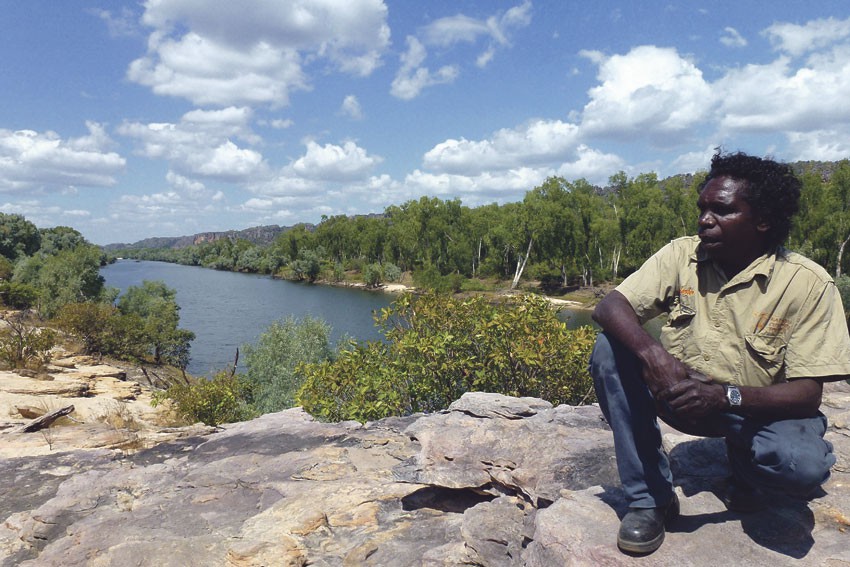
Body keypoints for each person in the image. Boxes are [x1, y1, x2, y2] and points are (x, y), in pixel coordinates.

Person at [589, 151, 850, 555]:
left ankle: (747, 469)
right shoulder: (682, 255)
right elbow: (610, 306)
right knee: (610, 349)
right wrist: (656, 358)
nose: (704, 219)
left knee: (800, 467)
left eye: (721, 210)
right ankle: (649, 499)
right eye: (703, 208)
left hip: (756, 409)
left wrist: (723, 395)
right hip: (680, 396)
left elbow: (807, 394)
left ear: (762, 220)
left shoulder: (807, 284)